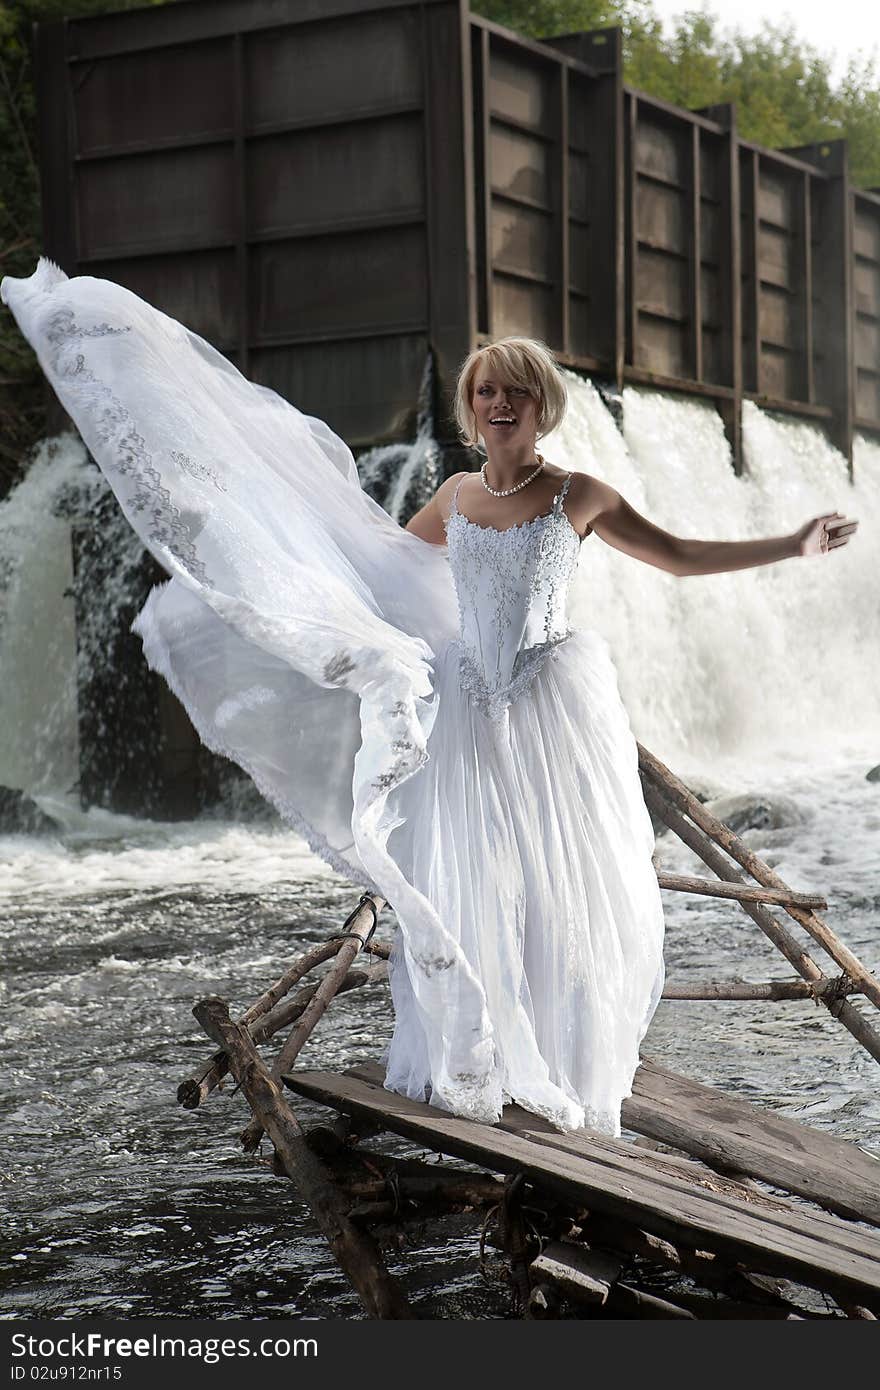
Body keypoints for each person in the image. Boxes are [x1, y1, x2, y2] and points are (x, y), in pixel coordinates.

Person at [1, 260, 858, 1137]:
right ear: (470, 407)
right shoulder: (452, 496)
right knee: (464, 877)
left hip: (552, 709)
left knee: (564, 884)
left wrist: (792, 544)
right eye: (485, 392)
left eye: (515, 393)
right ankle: (479, 1048)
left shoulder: (581, 495)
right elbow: (381, 569)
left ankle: (559, 1056)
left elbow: (678, 556)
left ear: (541, 406)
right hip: (463, 705)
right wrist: (267, 585)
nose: (499, 404)